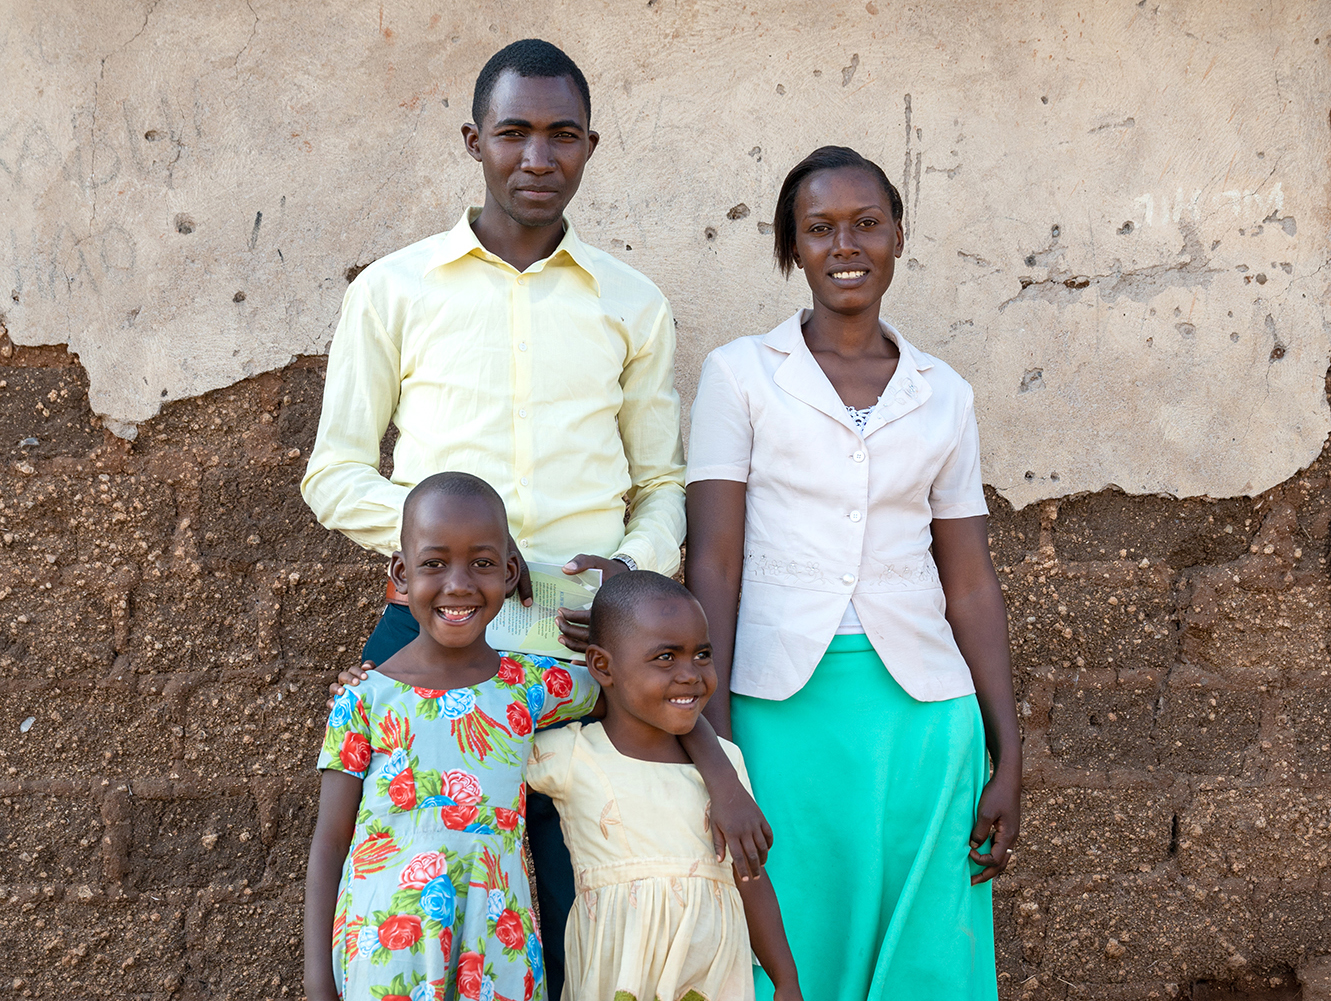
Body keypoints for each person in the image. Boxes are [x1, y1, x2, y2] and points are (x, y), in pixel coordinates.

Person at [301, 39, 768, 996]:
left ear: (590, 146)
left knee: (575, 901)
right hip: (438, 626)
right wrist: (461, 553)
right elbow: (334, 473)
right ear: (474, 140)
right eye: (513, 132)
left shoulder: (631, 303)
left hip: (583, 649)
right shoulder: (393, 290)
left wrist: (625, 576)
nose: (536, 157)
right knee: (421, 881)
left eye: (562, 135)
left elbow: (662, 481)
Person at [684, 146, 1022, 1001]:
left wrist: (1004, 750)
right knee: (792, 935)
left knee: (924, 951)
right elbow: (714, 565)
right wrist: (715, 739)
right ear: (790, 248)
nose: (846, 245)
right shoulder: (740, 375)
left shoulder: (943, 393)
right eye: (820, 228)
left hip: (924, 711)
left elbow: (970, 579)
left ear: (899, 236)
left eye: (867, 223)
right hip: (776, 702)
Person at [303, 472, 603, 1001]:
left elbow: (637, 691)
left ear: (511, 573)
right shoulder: (363, 699)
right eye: (434, 563)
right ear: (401, 572)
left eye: (482, 563)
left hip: (496, 950)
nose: (459, 583)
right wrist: (317, 979)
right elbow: (329, 843)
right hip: (384, 952)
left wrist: (722, 772)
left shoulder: (528, 685)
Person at [526, 571, 802, 1001]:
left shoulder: (725, 763)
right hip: (618, 973)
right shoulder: (570, 755)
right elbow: (482, 746)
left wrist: (786, 979)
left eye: (703, 654)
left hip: (714, 980)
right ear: (602, 666)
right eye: (666, 657)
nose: (690, 674)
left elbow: (750, 876)